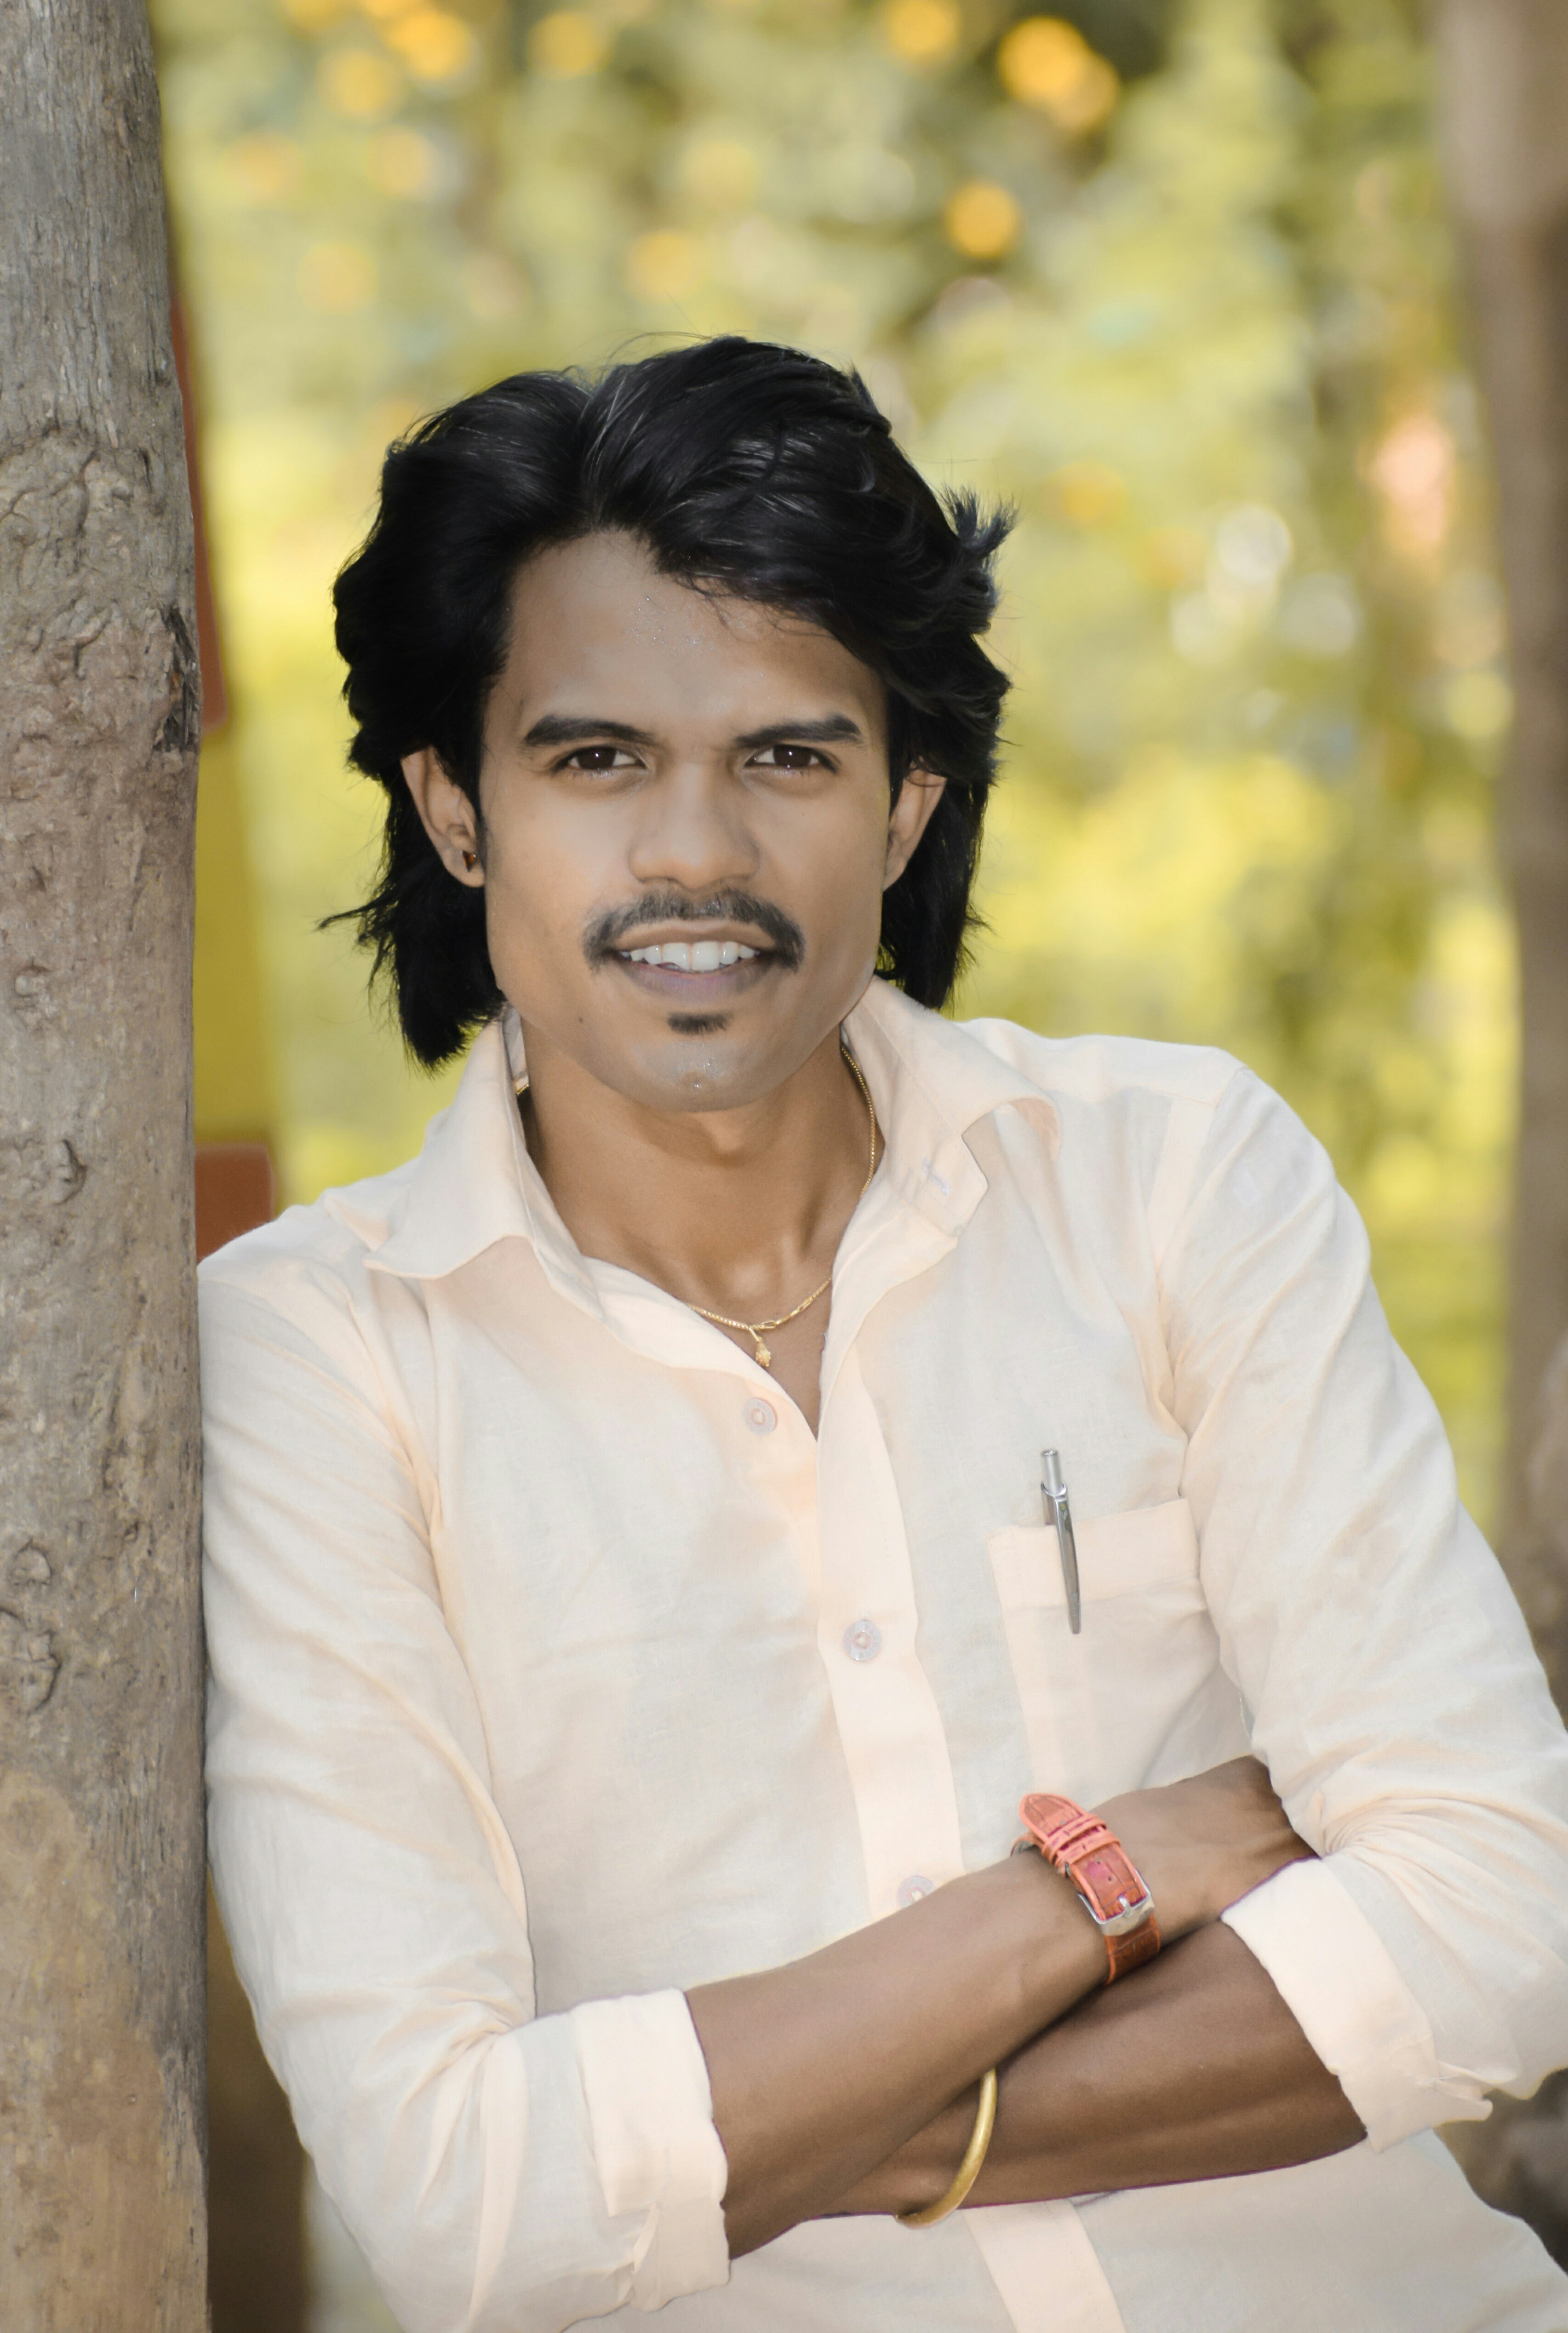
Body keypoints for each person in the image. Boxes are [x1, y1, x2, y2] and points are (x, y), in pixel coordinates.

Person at [200, 337, 1568, 2333]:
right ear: (456, 809)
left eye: (788, 756)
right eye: (596, 759)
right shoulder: (318, 1361)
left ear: (907, 805)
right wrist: (1089, 1886)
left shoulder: (1173, 1180)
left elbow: (1506, 1924)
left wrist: (775, 2141)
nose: (694, 851)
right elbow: (460, 2204)